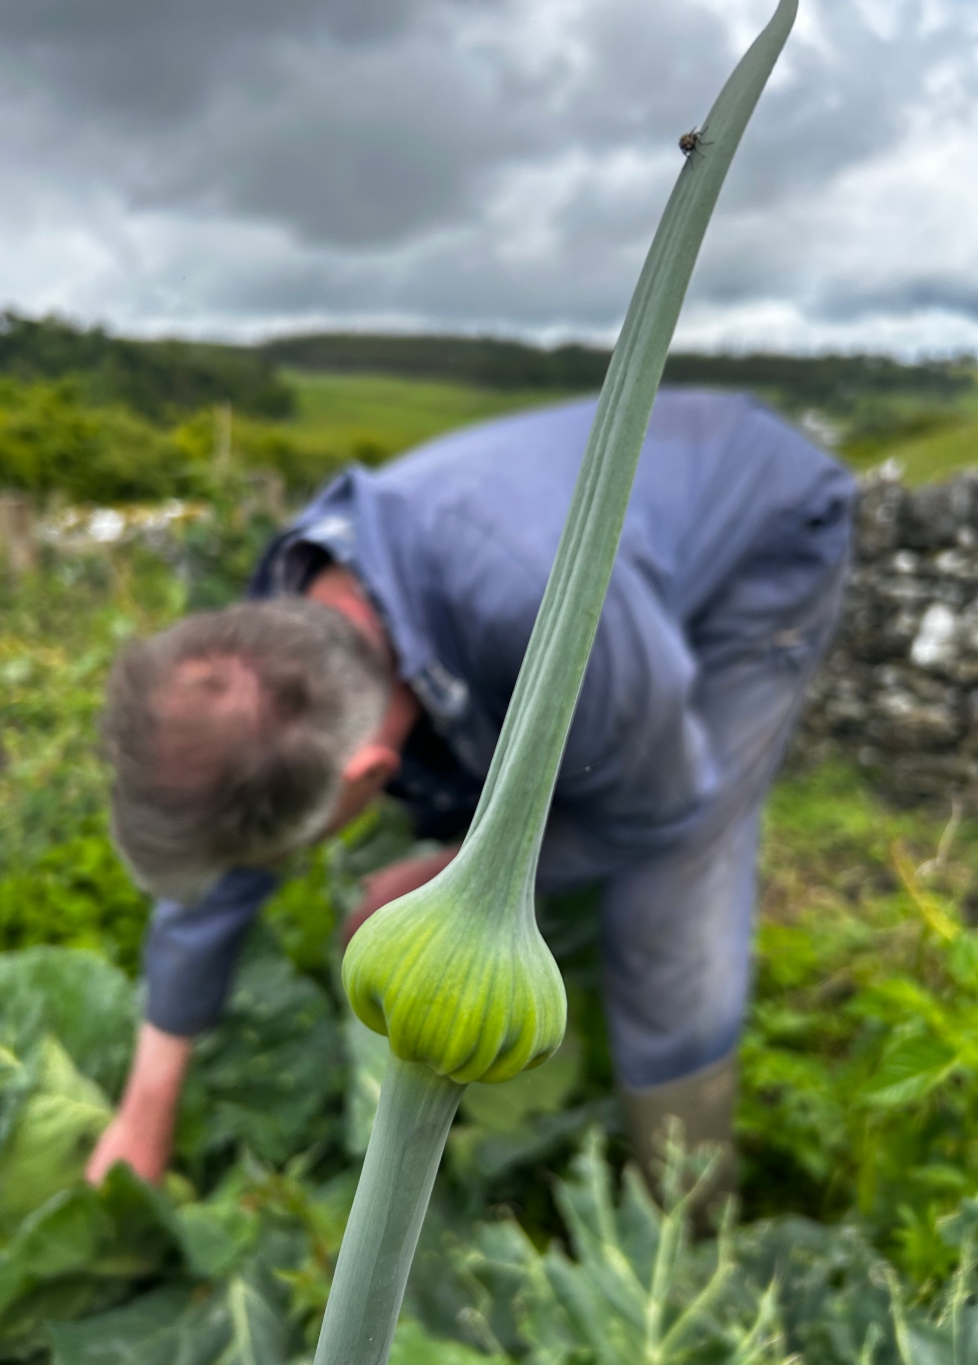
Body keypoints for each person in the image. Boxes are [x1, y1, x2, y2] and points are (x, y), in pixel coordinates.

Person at [86, 388, 855, 1199]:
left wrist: (457, 875)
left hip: (761, 528)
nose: (280, 860)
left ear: (371, 773)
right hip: (566, 540)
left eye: (293, 847)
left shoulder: (551, 620)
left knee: (668, 887)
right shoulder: (267, 645)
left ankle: (687, 1201)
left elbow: (663, 799)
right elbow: (229, 827)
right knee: (542, 773)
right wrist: (145, 1108)